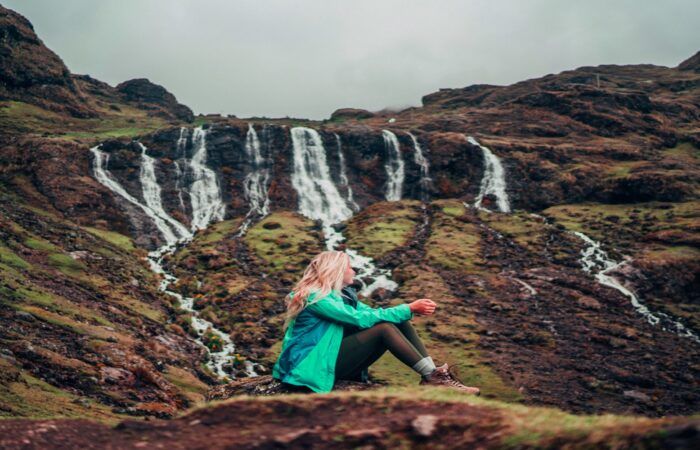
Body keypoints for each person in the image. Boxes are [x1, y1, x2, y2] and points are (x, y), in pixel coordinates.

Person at [272, 250, 480, 394]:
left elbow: (372, 313)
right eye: (350, 267)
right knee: (384, 329)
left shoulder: (342, 297)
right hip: (311, 364)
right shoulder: (314, 296)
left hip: (330, 358)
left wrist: (405, 312)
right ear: (335, 270)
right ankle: (434, 377)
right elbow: (358, 319)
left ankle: (435, 376)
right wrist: (408, 307)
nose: (354, 271)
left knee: (398, 322)